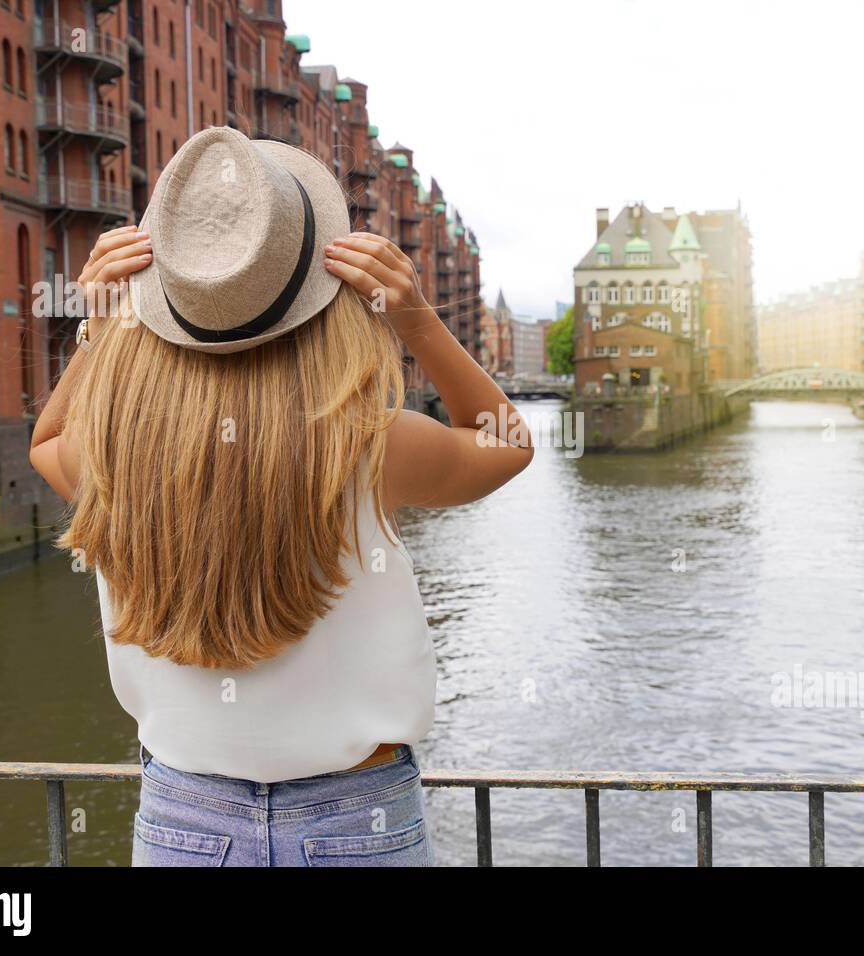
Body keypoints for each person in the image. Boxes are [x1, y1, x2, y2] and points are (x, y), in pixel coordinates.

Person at [28, 127, 533, 866]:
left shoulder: (115, 451)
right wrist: (416, 318)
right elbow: (509, 443)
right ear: (320, 294)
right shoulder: (363, 443)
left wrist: (100, 327)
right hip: (357, 820)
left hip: (184, 821)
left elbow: (46, 440)